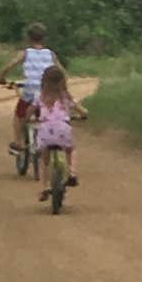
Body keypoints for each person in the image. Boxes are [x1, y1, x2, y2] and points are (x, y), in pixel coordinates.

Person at [0, 24, 58, 155]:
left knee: (19, 115)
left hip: (30, 89)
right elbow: (60, 71)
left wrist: (1, 78)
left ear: (28, 38)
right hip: (48, 89)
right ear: (44, 38)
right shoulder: (50, 54)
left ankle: (17, 143)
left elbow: (9, 66)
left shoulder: (25, 53)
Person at [31, 64, 85, 196]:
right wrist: (83, 114)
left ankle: (45, 187)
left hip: (45, 132)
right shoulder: (65, 96)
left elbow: (30, 111)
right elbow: (81, 110)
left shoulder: (41, 97)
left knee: (44, 161)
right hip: (62, 129)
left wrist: (30, 119)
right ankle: (72, 173)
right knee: (71, 149)